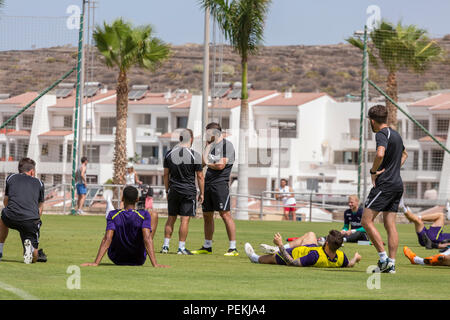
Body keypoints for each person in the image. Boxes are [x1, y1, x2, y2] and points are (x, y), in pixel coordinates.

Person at [361, 104, 408, 274]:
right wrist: (393, 169)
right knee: (390, 225)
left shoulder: (382, 134)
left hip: (385, 185)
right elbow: (405, 155)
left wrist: (374, 172)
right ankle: (392, 265)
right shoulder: (396, 135)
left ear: (372, 121)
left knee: (366, 221)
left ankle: (383, 260)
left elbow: (380, 154)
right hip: (397, 185)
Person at [82, 186, 168, 267]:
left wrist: (96, 263)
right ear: (137, 199)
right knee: (153, 216)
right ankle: (143, 249)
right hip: (138, 260)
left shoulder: (112, 214)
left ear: (122, 198)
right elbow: (147, 238)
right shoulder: (144, 214)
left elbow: (107, 238)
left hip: (116, 258)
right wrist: (155, 264)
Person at [191, 122, 238, 256]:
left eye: (207, 133)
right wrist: (207, 147)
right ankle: (207, 246)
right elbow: (202, 163)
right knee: (207, 215)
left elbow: (220, 166)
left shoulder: (227, 145)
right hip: (208, 184)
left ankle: (233, 248)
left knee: (225, 214)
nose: (206, 135)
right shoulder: (210, 146)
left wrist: (208, 162)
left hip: (220, 185)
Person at [160, 129, 204, 255]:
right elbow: (200, 176)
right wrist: (202, 193)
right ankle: (181, 248)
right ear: (191, 139)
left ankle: (165, 246)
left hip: (173, 190)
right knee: (184, 220)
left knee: (171, 218)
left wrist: (167, 191)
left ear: (180, 138)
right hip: (188, 191)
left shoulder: (169, 154)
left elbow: (165, 175)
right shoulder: (195, 155)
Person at [0, 158, 47, 264]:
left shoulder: (11, 178)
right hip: (30, 220)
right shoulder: (39, 183)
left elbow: (6, 201)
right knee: (34, 258)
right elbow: (40, 208)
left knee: (3, 217)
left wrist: (14, 212)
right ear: (32, 171)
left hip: (11, 216)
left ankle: (0, 249)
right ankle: (30, 251)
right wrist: (34, 221)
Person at [245, 230, 361, 268]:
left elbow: (291, 262)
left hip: (294, 254)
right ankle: (276, 248)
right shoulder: (341, 257)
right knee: (310, 234)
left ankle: (253, 257)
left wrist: (281, 246)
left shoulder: (314, 256)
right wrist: (355, 258)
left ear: (326, 243)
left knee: (265, 259)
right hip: (312, 248)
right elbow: (348, 264)